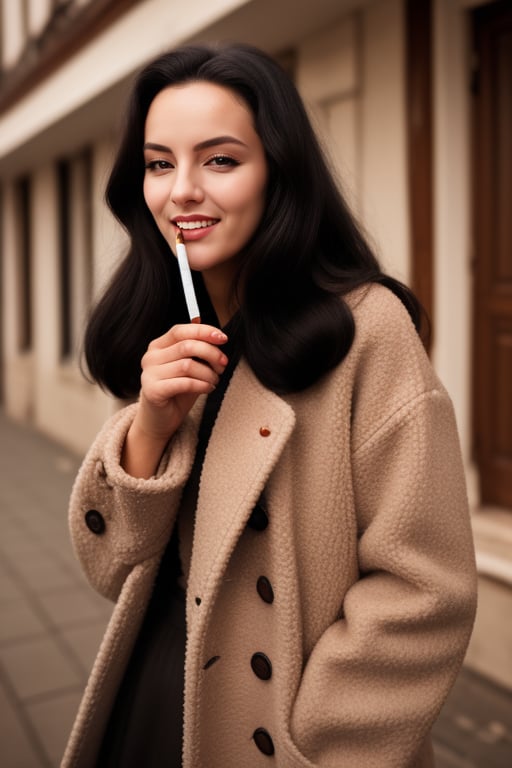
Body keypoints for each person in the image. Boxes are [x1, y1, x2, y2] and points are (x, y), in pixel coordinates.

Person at [62, 43, 477, 768]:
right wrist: (149, 427)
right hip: (164, 686)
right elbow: (107, 567)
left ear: (278, 173)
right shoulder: (164, 321)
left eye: (220, 160)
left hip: (278, 723)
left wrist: (315, 742)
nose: (182, 191)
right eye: (160, 164)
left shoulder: (366, 328)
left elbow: (423, 590)